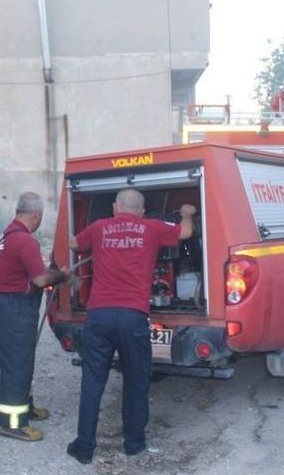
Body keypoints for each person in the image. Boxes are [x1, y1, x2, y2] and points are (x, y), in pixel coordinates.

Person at [66, 189, 196, 464]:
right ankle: (134, 444)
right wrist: (187, 213)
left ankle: (84, 447)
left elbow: (73, 242)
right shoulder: (152, 227)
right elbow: (185, 233)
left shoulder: (99, 227)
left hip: (99, 315)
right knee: (136, 380)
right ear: (141, 210)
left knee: (92, 382)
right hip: (132, 316)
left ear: (115, 207)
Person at [0, 192, 71, 441]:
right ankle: (12, 423)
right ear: (36, 215)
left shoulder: (7, 234)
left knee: (20, 360)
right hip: (15, 308)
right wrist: (62, 276)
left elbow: (30, 270)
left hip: (4, 304)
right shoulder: (25, 241)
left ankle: (25, 406)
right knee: (17, 364)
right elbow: (39, 279)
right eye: (41, 218)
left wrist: (50, 273)